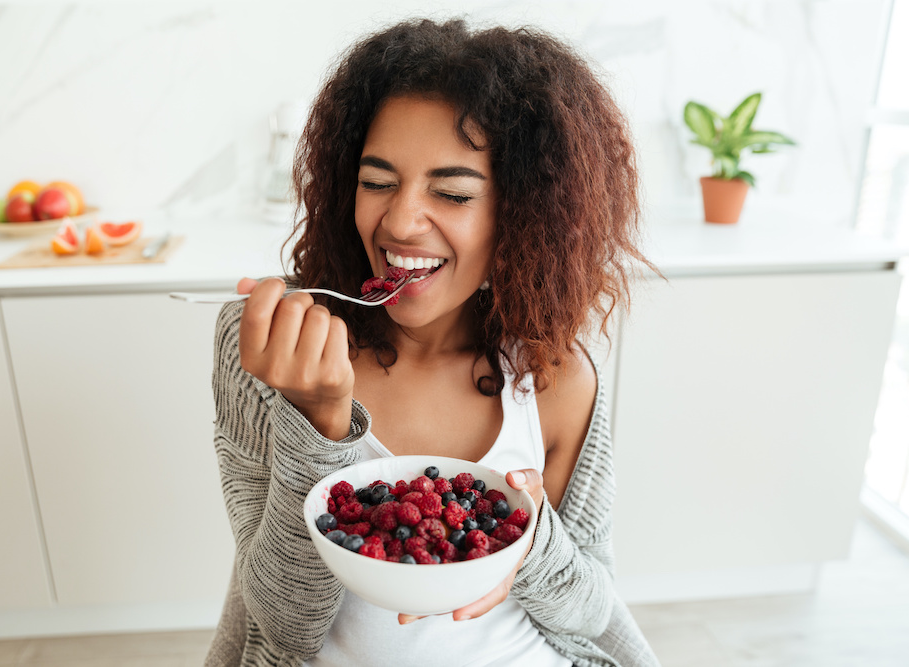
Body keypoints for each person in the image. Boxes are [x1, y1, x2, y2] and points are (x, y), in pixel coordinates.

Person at [208, 17, 660, 667]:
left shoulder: (554, 376)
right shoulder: (273, 349)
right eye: (377, 181)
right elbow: (283, 623)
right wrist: (319, 423)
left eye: (450, 191)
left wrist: (530, 543)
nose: (398, 221)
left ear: (522, 211)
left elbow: (592, 608)